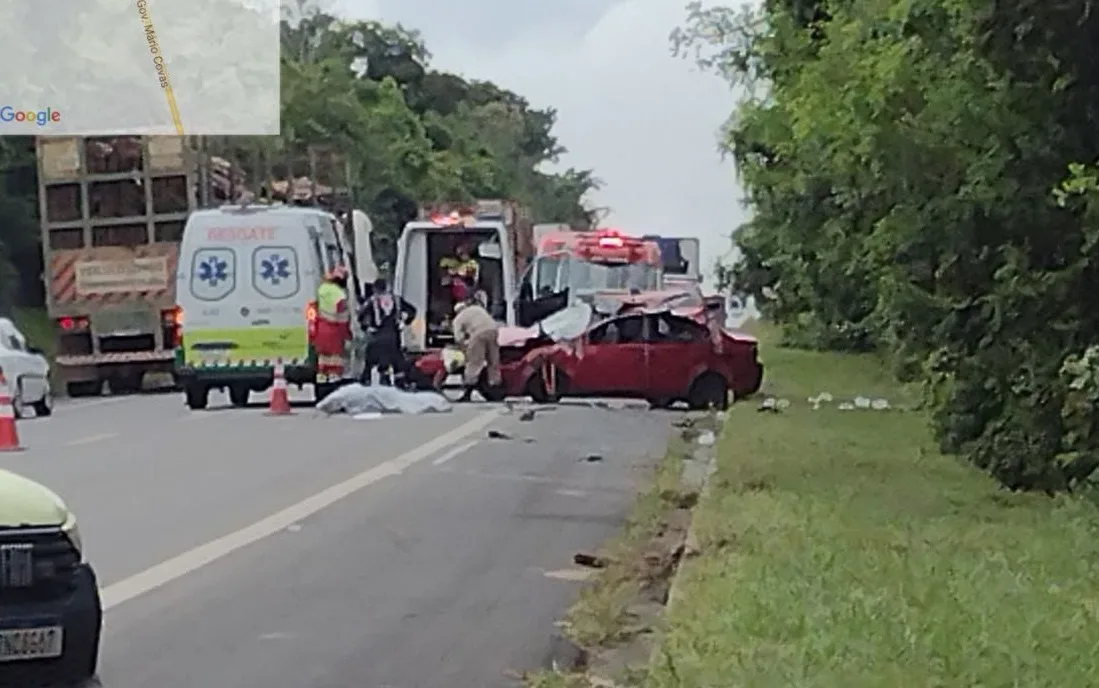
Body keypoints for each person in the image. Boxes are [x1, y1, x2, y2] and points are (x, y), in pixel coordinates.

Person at [360, 277, 416, 385]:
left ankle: (379, 380)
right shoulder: (397, 300)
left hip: (378, 335)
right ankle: (400, 383)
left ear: (375, 289)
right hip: (394, 335)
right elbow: (412, 310)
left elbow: (361, 316)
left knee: (377, 359)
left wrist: (366, 328)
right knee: (397, 361)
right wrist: (404, 322)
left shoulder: (372, 301)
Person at [451, 297, 501, 402]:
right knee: (493, 361)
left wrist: (464, 347)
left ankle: (467, 393)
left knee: (474, 363)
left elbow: (458, 338)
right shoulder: (477, 309)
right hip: (493, 331)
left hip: (478, 334)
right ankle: (496, 389)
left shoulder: (459, 318)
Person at [314, 266, 352, 381]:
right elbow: (342, 314)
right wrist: (348, 334)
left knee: (323, 356)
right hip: (335, 330)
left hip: (321, 328)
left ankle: (321, 378)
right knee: (336, 358)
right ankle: (333, 378)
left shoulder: (322, 289)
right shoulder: (340, 294)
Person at [439, 242, 479, 307]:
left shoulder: (473, 264)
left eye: (463, 253)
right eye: (459, 254)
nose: (462, 256)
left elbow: (466, 272)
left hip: (469, 293)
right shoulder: (454, 263)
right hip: (456, 297)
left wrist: (455, 272)